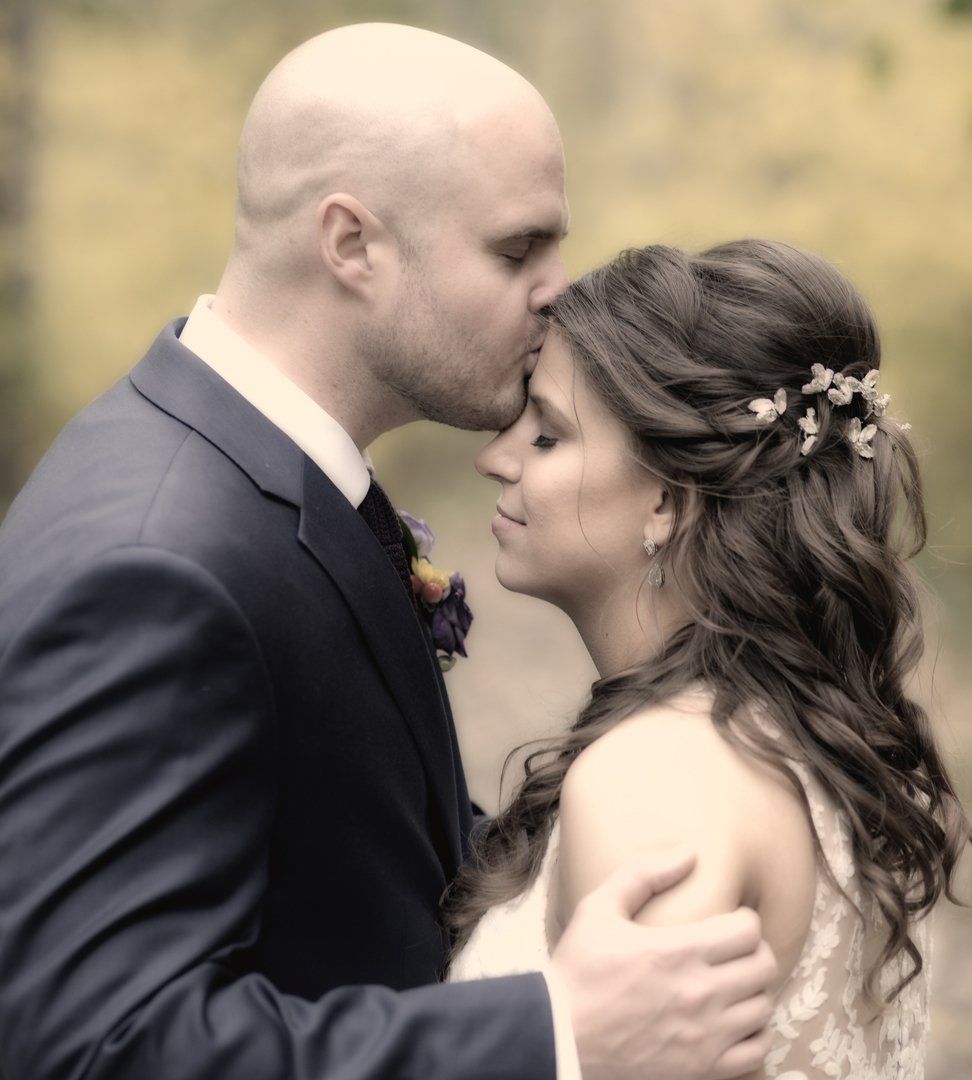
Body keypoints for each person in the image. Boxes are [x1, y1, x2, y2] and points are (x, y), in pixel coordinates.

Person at [0, 24, 777, 1080]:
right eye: (517, 250)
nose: (560, 289)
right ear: (351, 244)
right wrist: (553, 1033)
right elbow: (96, 1048)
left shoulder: (267, 481)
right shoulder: (160, 564)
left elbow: (353, 855)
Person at [450, 239, 971, 1079]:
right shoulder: (816, 748)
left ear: (667, 498)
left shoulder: (656, 777)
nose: (497, 457)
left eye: (548, 435)